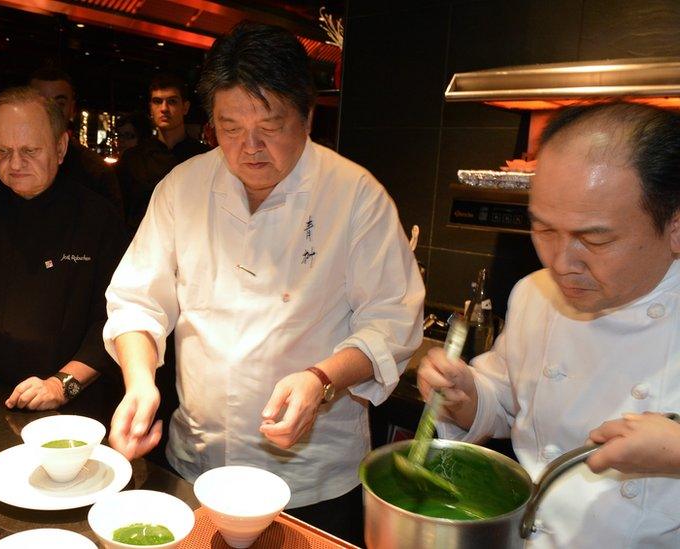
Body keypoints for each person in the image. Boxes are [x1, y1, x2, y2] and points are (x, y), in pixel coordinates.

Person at [103, 23, 424, 544]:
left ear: (308, 115)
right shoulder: (181, 189)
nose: (249, 148)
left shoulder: (355, 196)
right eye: (229, 128)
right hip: (197, 468)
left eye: (270, 127)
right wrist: (139, 382)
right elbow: (138, 302)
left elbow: (392, 322)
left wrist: (322, 378)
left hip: (312, 485)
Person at [418, 102, 680, 548]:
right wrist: (466, 395)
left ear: (675, 225)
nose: (560, 263)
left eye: (595, 239)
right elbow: (509, 403)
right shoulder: (533, 295)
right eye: (543, 230)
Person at [0, 86, 129, 421]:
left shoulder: (98, 218)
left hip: (74, 408)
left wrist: (62, 385)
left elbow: (114, 321)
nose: (15, 164)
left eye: (30, 151)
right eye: (4, 151)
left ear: (60, 148)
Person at [116, 73, 211, 228]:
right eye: (157, 102)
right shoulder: (132, 159)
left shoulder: (204, 157)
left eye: (172, 102)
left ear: (185, 107)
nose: (164, 108)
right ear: (150, 108)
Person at [29, 68, 123, 213]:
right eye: (41, 103)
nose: (50, 111)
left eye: (59, 103)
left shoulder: (95, 171)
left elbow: (112, 229)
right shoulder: (9, 163)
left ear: (72, 109)